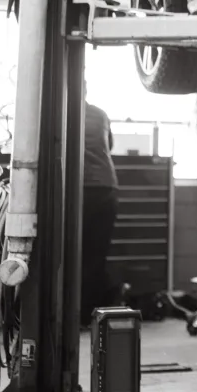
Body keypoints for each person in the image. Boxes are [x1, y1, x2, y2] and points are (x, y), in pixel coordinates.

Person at [81, 102, 118, 327]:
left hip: (81, 188)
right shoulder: (100, 113)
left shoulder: (58, 110)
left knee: (72, 254)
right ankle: (89, 314)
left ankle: (73, 312)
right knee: (95, 256)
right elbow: (109, 145)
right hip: (106, 187)